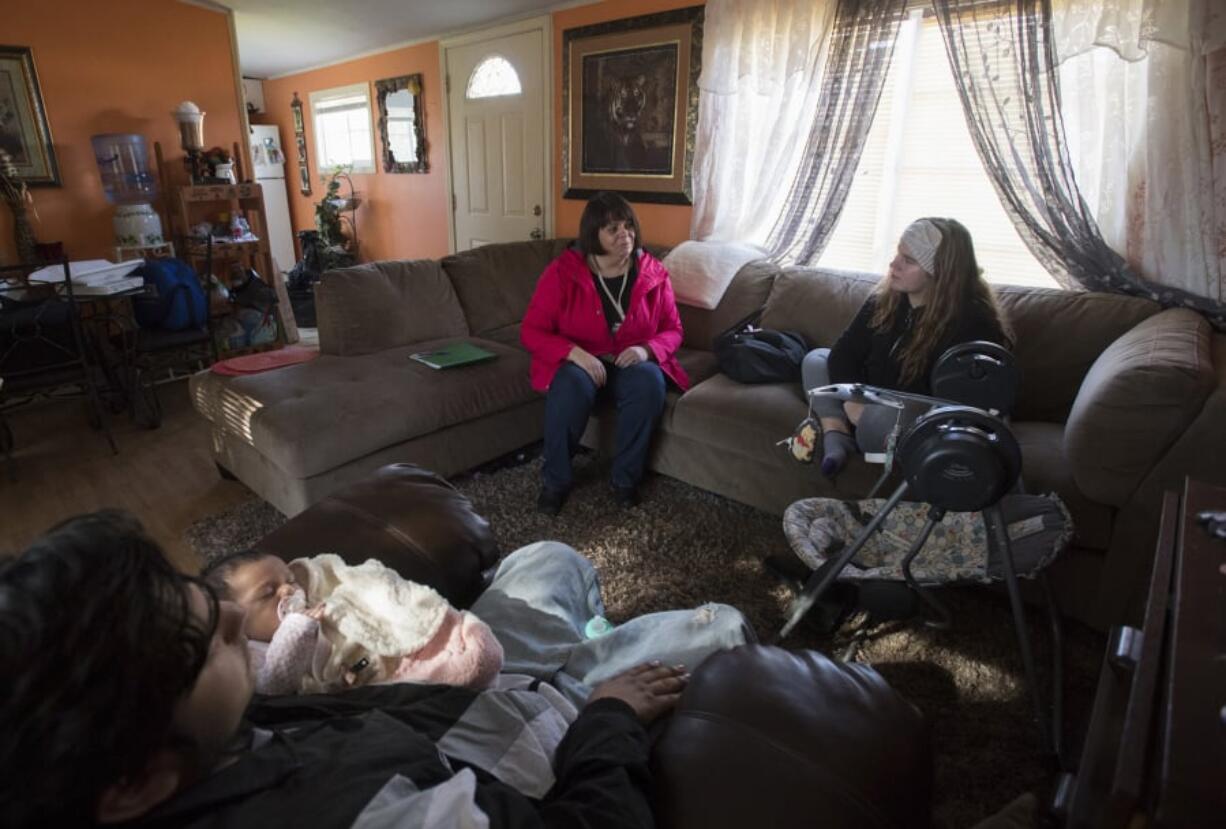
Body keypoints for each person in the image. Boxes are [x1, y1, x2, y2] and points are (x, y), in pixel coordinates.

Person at [0, 510, 708, 827]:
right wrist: (607, 720)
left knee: (547, 557)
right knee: (721, 627)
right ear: (136, 780)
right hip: (556, 736)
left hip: (472, 700)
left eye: (198, 596)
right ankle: (592, 654)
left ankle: (585, 640)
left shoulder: (201, 740)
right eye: (207, 644)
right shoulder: (368, 815)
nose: (231, 622)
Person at [798, 217, 1011, 477]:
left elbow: (958, 407)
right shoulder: (884, 301)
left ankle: (854, 431)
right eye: (898, 253)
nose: (893, 264)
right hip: (868, 398)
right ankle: (837, 433)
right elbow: (845, 353)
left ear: (941, 274)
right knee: (817, 359)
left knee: (880, 422)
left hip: (908, 420)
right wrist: (853, 402)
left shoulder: (974, 324)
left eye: (908, 260)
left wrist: (867, 409)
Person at [521, 192, 688, 516]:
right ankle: (555, 482)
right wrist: (573, 353)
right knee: (570, 386)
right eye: (612, 229)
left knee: (649, 383)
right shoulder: (562, 273)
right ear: (592, 234)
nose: (625, 234)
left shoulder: (654, 272)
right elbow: (531, 331)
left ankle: (625, 480)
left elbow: (674, 329)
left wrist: (646, 350)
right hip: (580, 362)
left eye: (628, 226)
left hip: (630, 362)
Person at [202, 550, 506, 695]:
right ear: (234, 619)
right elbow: (274, 683)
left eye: (290, 580)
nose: (288, 590)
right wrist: (296, 627)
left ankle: (455, 643)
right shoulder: (252, 653)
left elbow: (365, 605)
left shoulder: (315, 604)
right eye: (268, 593)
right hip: (381, 690)